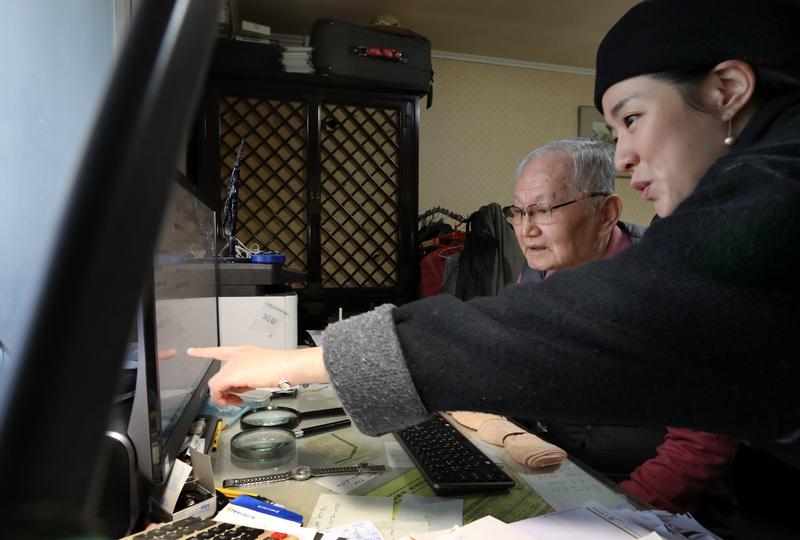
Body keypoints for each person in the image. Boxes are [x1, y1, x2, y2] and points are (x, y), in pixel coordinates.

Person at [189, 0, 800, 503]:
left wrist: (301, 363)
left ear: (726, 89)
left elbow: (560, 335)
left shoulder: (777, 190)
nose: (622, 158)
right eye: (519, 212)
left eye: (632, 119)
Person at [506, 138, 739, 536]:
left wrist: (612, 515)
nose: (526, 230)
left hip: (662, 506)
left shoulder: (679, 283)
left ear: (606, 213)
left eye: (543, 210)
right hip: (565, 482)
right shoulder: (531, 283)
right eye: (518, 212)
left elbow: (702, 444)